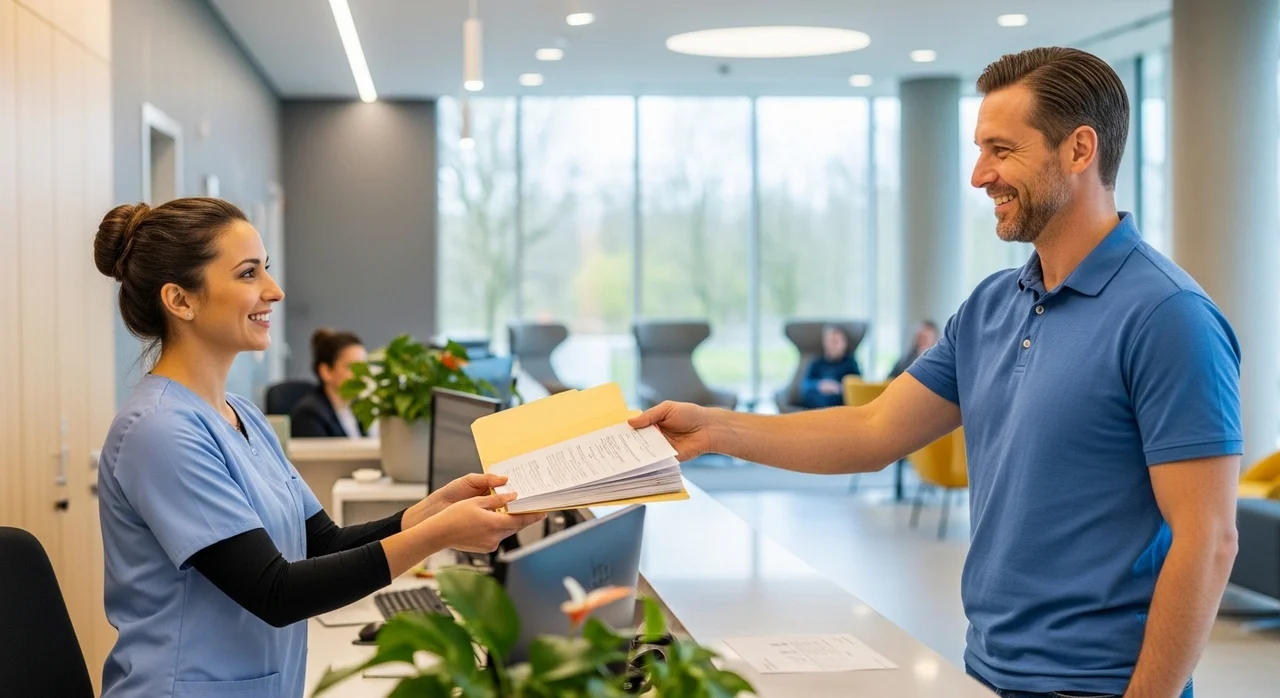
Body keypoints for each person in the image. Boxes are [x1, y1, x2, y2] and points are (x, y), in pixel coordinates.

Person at [632, 48, 1238, 698]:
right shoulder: (990, 306)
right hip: (987, 671)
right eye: (980, 149)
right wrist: (715, 429)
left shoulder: (1170, 317)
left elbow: (1208, 541)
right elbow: (872, 429)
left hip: (1099, 684)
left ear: (1079, 150)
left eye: (1001, 150)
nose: (979, 175)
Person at [92, 197, 544, 698]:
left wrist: (427, 513)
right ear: (180, 300)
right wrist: (438, 535)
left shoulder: (243, 416)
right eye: (248, 274)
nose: (275, 290)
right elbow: (276, 591)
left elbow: (321, 544)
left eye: (267, 269)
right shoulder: (160, 431)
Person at [291, 328, 368, 438]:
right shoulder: (309, 415)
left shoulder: (357, 408)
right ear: (326, 371)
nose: (362, 375)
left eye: (363, 367)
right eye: (353, 367)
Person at [799, 325, 862, 409]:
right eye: (831, 341)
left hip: (839, 401)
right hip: (817, 400)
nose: (834, 345)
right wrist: (820, 385)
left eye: (837, 341)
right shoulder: (817, 362)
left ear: (844, 344)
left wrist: (839, 388)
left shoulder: (850, 363)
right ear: (824, 343)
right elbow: (805, 385)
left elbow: (858, 386)